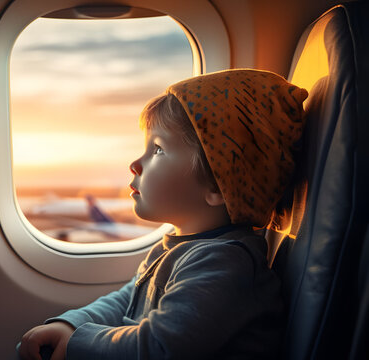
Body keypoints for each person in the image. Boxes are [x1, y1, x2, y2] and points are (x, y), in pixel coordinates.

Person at [18, 69, 309, 359]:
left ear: (218, 187)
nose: (135, 164)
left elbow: (160, 348)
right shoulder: (177, 246)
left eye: (157, 149)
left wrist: (75, 344)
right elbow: (127, 301)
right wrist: (70, 325)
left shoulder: (225, 264)